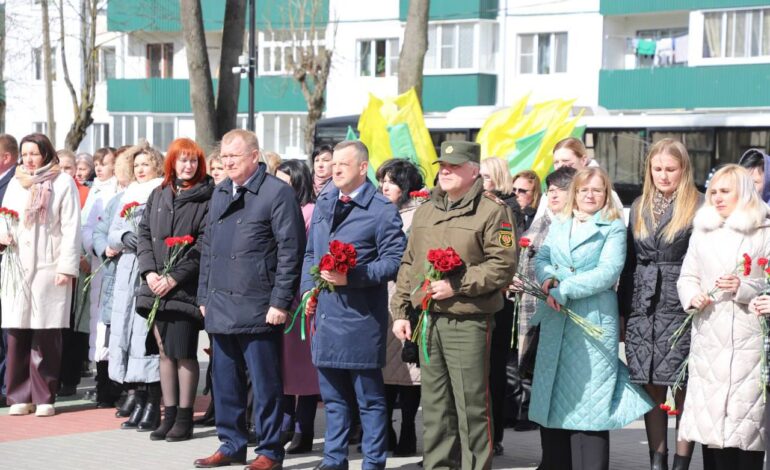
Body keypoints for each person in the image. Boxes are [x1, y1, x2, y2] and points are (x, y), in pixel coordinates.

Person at [392, 141, 518, 470]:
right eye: (442, 166)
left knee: (471, 404)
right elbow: (409, 263)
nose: (445, 171)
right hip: (428, 320)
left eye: (454, 166)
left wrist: (456, 285)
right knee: (435, 407)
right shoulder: (426, 210)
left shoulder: (492, 211)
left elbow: (502, 265)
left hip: (468, 320)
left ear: (474, 171)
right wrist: (401, 311)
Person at [194, 129, 305, 470]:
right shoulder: (220, 191)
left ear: (254, 156)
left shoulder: (277, 193)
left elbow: (290, 251)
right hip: (220, 303)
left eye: (234, 156)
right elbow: (208, 247)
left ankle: (270, 450)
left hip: (259, 304)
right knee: (224, 381)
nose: (227, 163)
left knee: (265, 383)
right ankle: (231, 443)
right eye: (224, 157)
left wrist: (280, 302)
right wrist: (203, 294)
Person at [531, 166, 652, 470]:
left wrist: (565, 288)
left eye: (597, 190)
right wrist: (547, 278)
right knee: (557, 397)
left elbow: (608, 271)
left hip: (592, 319)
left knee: (592, 401)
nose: (589, 195)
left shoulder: (612, 227)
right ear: (575, 193)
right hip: (557, 317)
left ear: (606, 194)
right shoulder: (560, 222)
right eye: (584, 189)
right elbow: (543, 256)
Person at [303, 140, 406, 470]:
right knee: (333, 399)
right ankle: (334, 460)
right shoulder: (326, 200)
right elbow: (311, 253)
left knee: (369, 399)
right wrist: (308, 291)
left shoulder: (381, 209)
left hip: (361, 317)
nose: (334, 170)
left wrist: (353, 276)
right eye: (333, 164)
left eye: (342, 165)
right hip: (325, 316)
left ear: (363, 168)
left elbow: (394, 261)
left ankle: (373, 462)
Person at [677, 164, 770, 470]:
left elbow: (766, 284)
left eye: (725, 191)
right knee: (712, 431)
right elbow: (687, 276)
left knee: (746, 431)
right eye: (713, 191)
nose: (716, 197)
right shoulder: (703, 231)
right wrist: (693, 296)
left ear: (743, 192)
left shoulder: (764, 231)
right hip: (708, 340)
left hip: (748, 343)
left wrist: (743, 287)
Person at [618, 139, 701, 470]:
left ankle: (681, 461)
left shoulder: (698, 205)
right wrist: (623, 312)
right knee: (650, 387)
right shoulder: (639, 205)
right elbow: (629, 263)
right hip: (643, 307)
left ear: (683, 169)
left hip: (680, 305)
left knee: (682, 387)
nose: (663, 175)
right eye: (657, 169)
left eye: (670, 169)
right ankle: (657, 461)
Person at [134, 138, 214, 442]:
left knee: (182, 352)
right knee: (164, 351)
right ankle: (168, 415)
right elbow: (144, 234)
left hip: (184, 288)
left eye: (193, 160)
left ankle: (184, 417)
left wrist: (174, 278)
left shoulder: (206, 196)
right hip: (155, 285)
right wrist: (150, 272)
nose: (188, 166)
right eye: (183, 160)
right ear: (172, 162)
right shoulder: (159, 193)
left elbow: (203, 244)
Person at [0, 133, 82, 417]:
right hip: (17, 265)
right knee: (17, 333)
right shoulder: (17, 181)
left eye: (34, 153)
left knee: (46, 335)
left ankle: (44, 395)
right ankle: (19, 395)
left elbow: (71, 227)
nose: (29, 159)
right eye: (25, 154)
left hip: (49, 266)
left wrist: (66, 267)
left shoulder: (63, 182)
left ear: (46, 153)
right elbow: (4, 214)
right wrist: (3, 234)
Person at [509, 167, 577, 451]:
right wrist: (516, 277)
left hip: (562, 312)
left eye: (559, 190)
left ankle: (562, 456)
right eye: (550, 191)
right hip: (533, 310)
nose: (552, 196)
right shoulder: (544, 219)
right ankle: (551, 456)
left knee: (561, 388)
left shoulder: (576, 224)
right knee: (540, 383)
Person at [107, 142, 164, 431]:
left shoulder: (161, 190)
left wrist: (142, 241)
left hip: (148, 267)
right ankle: (137, 397)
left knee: (145, 334)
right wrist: (123, 237)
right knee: (127, 333)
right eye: (137, 165)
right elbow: (112, 231)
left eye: (146, 164)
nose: (140, 170)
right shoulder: (128, 193)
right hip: (127, 268)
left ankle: (153, 401)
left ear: (156, 165)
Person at [377, 158, 424, 457]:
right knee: (382, 370)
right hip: (380, 298)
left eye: (392, 181)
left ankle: (408, 430)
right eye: (382, 181)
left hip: (407, 298)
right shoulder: (379, 211)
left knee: (408, 371)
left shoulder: (419, 215)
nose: (385, 187)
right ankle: (386, 430)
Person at [478, 156, 524, 454]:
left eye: (485, 176)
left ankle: (493, 436)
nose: (480, 181)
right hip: (477, 296)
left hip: (498, 297)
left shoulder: (507, 208)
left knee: (494, 369)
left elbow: (508, 252)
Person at [275, 159, 320, 454]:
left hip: (300, 299)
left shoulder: (310, 211)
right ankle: (284, 425)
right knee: (282, 368)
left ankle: (304, 429)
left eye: (285, 181)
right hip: (279, 298)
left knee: (303, 370)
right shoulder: (278, 208)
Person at [90, 146, 133, 409]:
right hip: (113, 275)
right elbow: (98, 231)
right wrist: (104, 247)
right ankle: (108, 389)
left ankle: (131, 391)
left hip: (133, 274)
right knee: (109, 335)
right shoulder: (116, 200)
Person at [534, 138, 623, 220]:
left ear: (583, 160)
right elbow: (537, 227)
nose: (560, 166)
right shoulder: (550, 193)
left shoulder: (606, 193)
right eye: (556, 162)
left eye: (566, 161)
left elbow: (616, 225)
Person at [0, 134, 19, 407]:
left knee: (7, 329)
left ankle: (6, 385)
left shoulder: (15, 182)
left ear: (5, 157)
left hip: (8, 260)